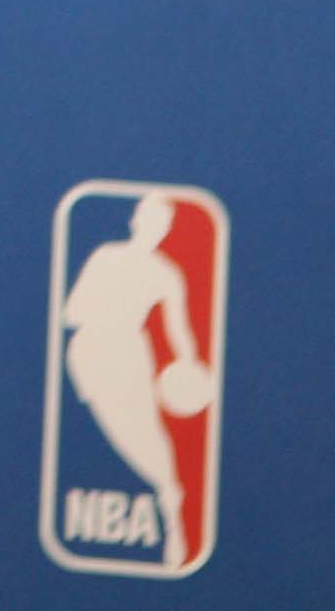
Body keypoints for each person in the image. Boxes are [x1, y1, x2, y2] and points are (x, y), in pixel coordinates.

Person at [59, 194, 204, 565]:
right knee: (113, 433)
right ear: (136, 221)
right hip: (88, 354)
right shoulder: (106, 256)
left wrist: (187, 364)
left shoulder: (166, 274)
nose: (155, 228)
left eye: (163, 223)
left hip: (128, 355)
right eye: (149, 219)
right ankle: (168, 497)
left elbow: (180, 330)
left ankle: (172, 513)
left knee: (148, 437)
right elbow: (72, 313)